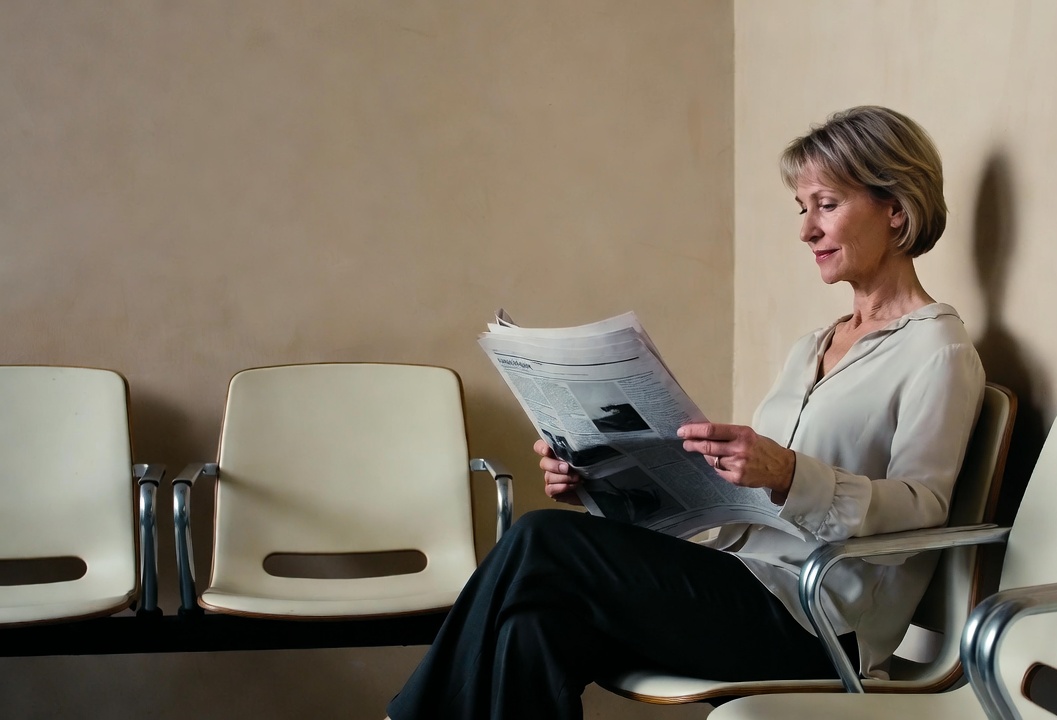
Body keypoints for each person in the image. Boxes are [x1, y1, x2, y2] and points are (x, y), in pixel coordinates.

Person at [386, 106, 985, 720]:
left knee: (540, 540)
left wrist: (787, 474)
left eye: (825, 204)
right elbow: (739, 499)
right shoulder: (813, 346)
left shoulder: (937, 352)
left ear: (896, 208)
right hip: (740, 577)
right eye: (801, 208)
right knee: (531, 624)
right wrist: (600, 481)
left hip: (819, 624)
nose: (806, 230)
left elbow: (922, 514)